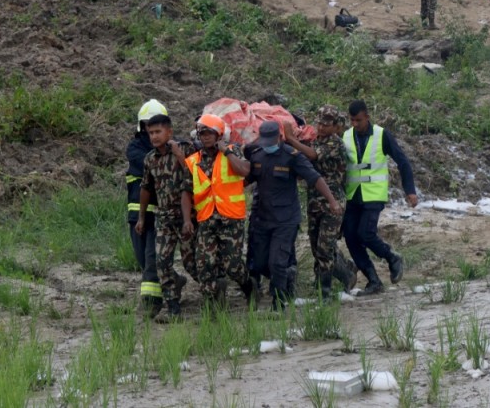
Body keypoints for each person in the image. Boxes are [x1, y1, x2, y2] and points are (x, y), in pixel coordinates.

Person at [244, 120, 342, 308]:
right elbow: (247, 180)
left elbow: (315, 178)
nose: (267, 146)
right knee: (260, 263)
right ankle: (287, 277)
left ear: (279, 137)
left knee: (277, 262)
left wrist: (332, 201)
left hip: (286, 220)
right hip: (263, 218)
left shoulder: (292, 156)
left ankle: (278, 304)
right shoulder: (257, 156)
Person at [342, 100, 418, 296]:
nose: (355, 124)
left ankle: (392, 257)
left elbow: (402, 161)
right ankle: (373, 280)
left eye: (358, 120)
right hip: (353, 194)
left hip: (374, 194)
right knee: (350, 236)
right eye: (352, 120)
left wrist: (410, 190)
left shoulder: (382, 135)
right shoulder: (347, 136)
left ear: (367, 117)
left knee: (365, 233)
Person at [186, 114, 256, 307]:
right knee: (204, 263)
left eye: (210, 132)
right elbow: (186, 191)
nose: (206, 136)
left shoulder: (233, 150)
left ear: (219, 135)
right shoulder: (193, 160)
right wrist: (187, 219)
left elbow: (245, 171)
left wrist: (226, 152)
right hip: (206, 219)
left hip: (231, 218)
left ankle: (249, 287)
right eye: (202, 133)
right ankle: (213, 305)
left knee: (232, 265)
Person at [291, 105, 358, 296]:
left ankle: (325, 290)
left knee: (324, 247)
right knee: (316, 246)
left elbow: (312, 155)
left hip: (332, 204)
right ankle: (346, 271)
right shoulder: (315, 142)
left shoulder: (335, 144)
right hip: (314, 202)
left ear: (336, 127)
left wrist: (291, 140)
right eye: (319, 123)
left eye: (326, 125)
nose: (321, 127)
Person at [136, 108, 195, 323]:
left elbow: (196, 175)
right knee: (162, 262)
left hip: (187, 216)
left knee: (192, 263)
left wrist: (179, 155)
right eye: (151, 133)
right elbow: (146, 188)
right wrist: (142, 217)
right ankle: (173, 307)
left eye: (158, 132)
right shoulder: (150, 159)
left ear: (169, 132)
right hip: (164, 218)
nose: (154, 136)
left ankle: (215, 292)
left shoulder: (186, 149)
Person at [127, 99, 167, 315]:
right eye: (148, 126)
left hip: (161, 215)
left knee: (153, 259)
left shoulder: (171, 149)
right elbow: (150, 165)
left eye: (157, 127)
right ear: (142, 126)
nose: (152, 132)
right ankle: (173, 281)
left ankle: (152, 303)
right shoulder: (135, 149)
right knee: (143, 259)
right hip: (138, 216)